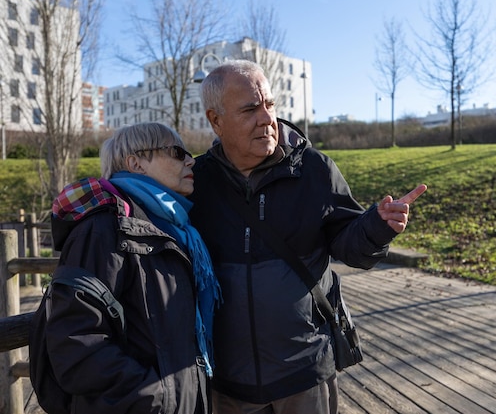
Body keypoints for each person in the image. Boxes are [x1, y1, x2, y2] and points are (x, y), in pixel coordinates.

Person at [188, 60, 426, 414]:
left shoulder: (315, 169)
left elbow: (350, 246)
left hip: (303, 373)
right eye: (250, 109)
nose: (266, 118)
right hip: (228, 382)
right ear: (215, 120)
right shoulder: (197, 183)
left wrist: (376, 228)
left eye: (269, 104)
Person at [46, 122, 221, 413]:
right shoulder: (104, 229)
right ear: (135, 163)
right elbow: (76, 342)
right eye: (177, 152)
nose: (190, 160)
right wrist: (157, 399)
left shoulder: (176, 229)